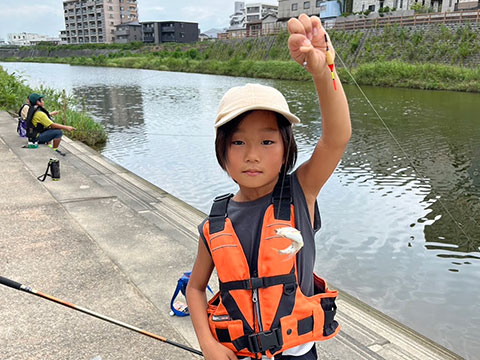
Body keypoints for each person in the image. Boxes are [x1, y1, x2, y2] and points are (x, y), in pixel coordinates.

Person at [186, 14, 351, 360]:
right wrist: (208, 344)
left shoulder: (301, 190)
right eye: (237, 143)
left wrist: (324, 71)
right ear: (222, 152)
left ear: (286, 148)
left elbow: (337, 137)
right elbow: (196, 288)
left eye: (266, 142)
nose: (251, 156)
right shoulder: (215, 224)